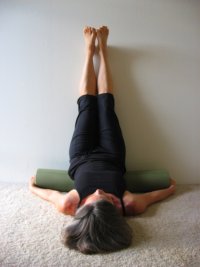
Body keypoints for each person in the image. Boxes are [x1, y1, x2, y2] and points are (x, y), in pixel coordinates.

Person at [29, 26, 176, 254]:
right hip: (112, 154)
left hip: (81, 155)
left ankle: (90, 51)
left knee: (86, 106)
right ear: (115, 209)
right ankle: (103, 51)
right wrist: (170, 189)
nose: (98, 191)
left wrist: (33, 187)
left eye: (93, 199)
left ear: (81, 210)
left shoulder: (69, 204)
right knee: (106, 105)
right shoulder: (128, 204)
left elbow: (50, 195)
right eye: (107, 199)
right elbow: (152, 196)